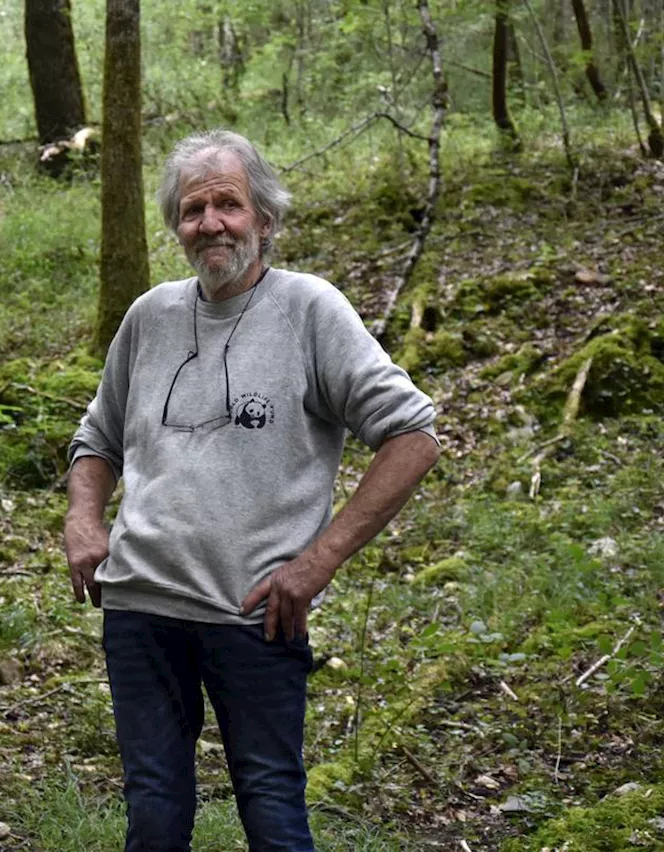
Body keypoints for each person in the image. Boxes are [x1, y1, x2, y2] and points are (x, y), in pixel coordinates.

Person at [64, 130, 441, 851]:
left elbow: (413, 436)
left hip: (255, 617)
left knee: (271, 808)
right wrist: (84, 519)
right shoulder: (149, 317)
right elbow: (96, 439)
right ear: (177, 226)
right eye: (192, 209)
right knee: (153, 815)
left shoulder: (310, 311)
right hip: (141, 607)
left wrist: (318, 561)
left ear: (263, 218)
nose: (210, 223)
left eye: (228, 205)